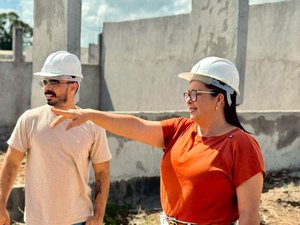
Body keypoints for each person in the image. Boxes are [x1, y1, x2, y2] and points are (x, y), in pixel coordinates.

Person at [50, 56, 265, 225]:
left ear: (219, 98)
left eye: (195, 94)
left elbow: (248, 215)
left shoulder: (241, 145)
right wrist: (90, 115)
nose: (188, 101)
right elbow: (137, 126)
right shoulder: (181, 129)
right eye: (186, 94)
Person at [0, 51, 112, 225]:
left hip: (78, 220)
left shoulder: (93, 126)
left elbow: (102, 173)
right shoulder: (29, 120)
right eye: (45, 81)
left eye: (54, 82)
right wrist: (0, 206)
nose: (47, 87)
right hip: (36, 221)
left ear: (73, 86)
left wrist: (98, 215)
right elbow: (11, 163)